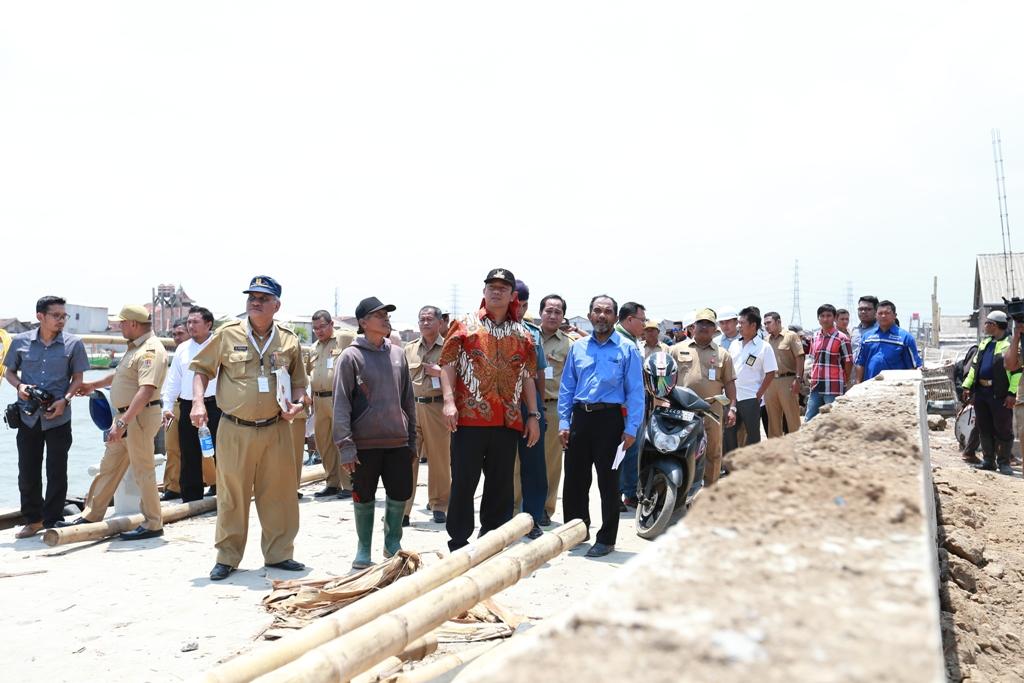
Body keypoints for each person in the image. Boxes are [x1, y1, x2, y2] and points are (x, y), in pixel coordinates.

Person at [189, 276, 308, 580]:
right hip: (234, 428)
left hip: (276, 428)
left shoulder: (289, 339)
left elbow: (298, 382)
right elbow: (202, 371)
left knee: (280, 493)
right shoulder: (227, 335)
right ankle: (227, 557)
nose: (255, 302)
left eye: (263, 298)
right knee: (232, 494)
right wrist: (199, 404)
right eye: (251, 297)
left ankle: (279, 554)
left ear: (276, 305)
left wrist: (297, 403)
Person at [439, 268, 540, 552]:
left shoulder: (522, 333)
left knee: (500, 484)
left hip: (507, 421)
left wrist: (532, 415)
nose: (496, 292)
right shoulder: (464, 324)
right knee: (463, 481)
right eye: (491, 287)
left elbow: (528, 376)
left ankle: (492, 540)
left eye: (503, 288)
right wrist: (448, 401)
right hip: (470, 420)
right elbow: (447, 363)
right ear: (484, 291)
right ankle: (458, 542)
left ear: (512, 296)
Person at [61, 305, 167, 541]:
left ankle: (153, 523)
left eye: (121, 323)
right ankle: (91, 515)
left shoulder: (150, 350)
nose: (118, 327)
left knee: (143, 471)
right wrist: (92, 385)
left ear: (133, 324)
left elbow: (146, 390)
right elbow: (120, 376)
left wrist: (123, 423)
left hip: (137, 417)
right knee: (109, 466)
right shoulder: (134, 349)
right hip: (126, 417)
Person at [558, 295, 644, 558]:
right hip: (580, 419)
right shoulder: (578, 347)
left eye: (607, 311)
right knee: (574, 481)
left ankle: (606, 539)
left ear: (615, 317)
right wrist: (564, 422)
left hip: (610, 422)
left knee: (608, 483)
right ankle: (576, 531)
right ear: (589, 315)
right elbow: (567, 387)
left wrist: (631, 429)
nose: (602, 315)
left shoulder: (627, 350)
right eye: (597, 311)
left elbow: (636, 393)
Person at [333, 297, 416, 569]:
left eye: (386, 314)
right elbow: (341, 403)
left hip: (397, 440)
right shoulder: (351, 356)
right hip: (364, 443)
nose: (385, 318)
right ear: (363, 323)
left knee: (399, 493)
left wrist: (412, 438)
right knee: (364, 495)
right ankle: (363, 547)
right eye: (378, 315)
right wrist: (345, 445)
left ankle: (392, 543)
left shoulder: (397, 354)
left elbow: (408, 400)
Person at [3, 296, 89, 538]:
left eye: (64, 316)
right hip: (28, 416)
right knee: (27, 470)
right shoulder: (20, 341)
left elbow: (78, 379)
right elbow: (9, 372)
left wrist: (65, 400)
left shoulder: (74, 344)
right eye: (56, 315)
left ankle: (53, 520)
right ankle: (33, 520)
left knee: (57, 470)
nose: (61, 320)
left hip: (59, 416)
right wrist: (20, 386)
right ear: (40, 316)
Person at [669, 308, 737, 487]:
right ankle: (681, 490)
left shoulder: (723, 354)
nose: (705, 327)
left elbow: (729, 383)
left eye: (709, 324)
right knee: (680, 449)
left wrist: (732, 408)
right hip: (682, 409)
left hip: (711, 409)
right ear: (693, 326)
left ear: (715, 329)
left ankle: (709, 490)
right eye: (701, 323)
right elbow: (666, 379)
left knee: (713, 451)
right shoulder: (676, 350)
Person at [162, 306, 220, 502]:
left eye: (195, 322)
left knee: (220, 451)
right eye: (189, 322)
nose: (191, 326)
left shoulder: (219, 345)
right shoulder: (182, 349)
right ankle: (191, 497)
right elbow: (173, 380)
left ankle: (222, 492)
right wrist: (167, 406)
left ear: (208, 324)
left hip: (215, 405)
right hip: (187, 405)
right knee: (188, 452)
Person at [403, 305, 451, 525]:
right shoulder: (409, 349)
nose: (425, 323)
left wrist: (440, 373)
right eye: (421, 319)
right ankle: (402, 510)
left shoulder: (450, 348)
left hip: (437, 408)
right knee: (406, 459)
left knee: (439, 460)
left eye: (430, 319)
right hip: (412, 408)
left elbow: (458, 379)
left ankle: (440, 505)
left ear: (440, 322)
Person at [511, 279, 548, 539]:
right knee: (499, 468)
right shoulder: (484, 330)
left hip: (528, 408)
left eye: (523, 305)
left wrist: (537, 411)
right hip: (498, 409)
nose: (519, 310)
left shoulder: (532, 334)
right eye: (517, 304)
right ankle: (501, 519)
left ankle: (532, 519)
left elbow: (539, 376)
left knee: (533, 467)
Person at [962, 311, 1019, 475]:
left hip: (999, 394)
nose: (984, 325)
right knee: (984, 426)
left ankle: (1004, 462)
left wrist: (1011, 393)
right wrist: (967, 386)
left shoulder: (1010, 344)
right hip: (981, 392)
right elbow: (974, 367)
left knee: (1003, 428)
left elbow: (1016, 372)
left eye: (987, 323)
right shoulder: (984, 343)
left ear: (994, 325)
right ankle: (988, 461)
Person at [307, 310, 355, 499]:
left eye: (322, 326)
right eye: (315, 328)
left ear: (331, 325)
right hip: (318, 400)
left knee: (342, 441)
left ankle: (348, 484)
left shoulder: (343, 338)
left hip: (338, 398)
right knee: (323, 442)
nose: (318, 331)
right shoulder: (314, 347)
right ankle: (331, 482)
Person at [537, 294, 574, 525]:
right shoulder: (527, 336)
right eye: (548, 311)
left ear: (563, 316)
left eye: (557, 312)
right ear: (541, 312)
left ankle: (545, 508)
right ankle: (518, 506)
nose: (552, 315)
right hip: (526, 407)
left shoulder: (569, 344)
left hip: (553, 408)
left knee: (551, 462)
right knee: (520, 461)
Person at [724, 307, 776, 453]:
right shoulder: (734, 344)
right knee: (729, 433)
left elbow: (770, 373)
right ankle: (731, 467)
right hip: (732, 397)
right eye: (738, 323)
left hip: (750, 397)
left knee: (752, 435)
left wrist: (759, 395)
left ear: (753, 325)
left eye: (742, 323)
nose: (738, 326)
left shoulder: (764, 347)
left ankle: (753, 465)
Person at [614, 302, 646, 509]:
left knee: (630, 452)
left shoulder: (631, 340)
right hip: (620, 409)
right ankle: (616, 494)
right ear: (629, 320)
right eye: (642, 320)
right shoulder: (619, 341)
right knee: (619, 452)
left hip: (631, 407)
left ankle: (628, 492)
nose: (644, 324)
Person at [806, 304, 854, 420]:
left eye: (828, 316)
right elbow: (813, 359)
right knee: (809, 419)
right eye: (822, 316)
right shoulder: (815, 337)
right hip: (816, 385)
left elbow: (848, 361)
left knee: (833, 419)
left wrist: (845, 379)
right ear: (818, 319)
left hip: (833, 385)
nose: (825, 319)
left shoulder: (842, 338)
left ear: (834, 318)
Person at [854, 300, 922, 382]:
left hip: (894, 388)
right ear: (876, 315)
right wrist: (858, 384)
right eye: (880, 313)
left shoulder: (905, 338)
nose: (883, 316)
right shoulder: (867, 337)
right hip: (869, 387)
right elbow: (860, 363)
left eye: (887, 313)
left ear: (895, 315)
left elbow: (913, 367)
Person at [160, 319, 189, 501]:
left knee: (204, 446)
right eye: (174, 334)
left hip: (194, 404)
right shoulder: (178, 352)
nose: (176, 338)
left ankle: (213, 482)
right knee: (172, 447)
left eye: (180, 334)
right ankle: (173, 486)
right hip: (173, 405)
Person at [764, 312, 804, 438]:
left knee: (792, 418)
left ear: (778, 322)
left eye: (769, 323)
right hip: (770, 383)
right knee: (773, 420)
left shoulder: (791, 336)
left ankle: (796, 447)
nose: (766, 326)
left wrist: (798, 379)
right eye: (764, 324)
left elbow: (800, 357)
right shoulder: (766, 340)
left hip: (788, 380)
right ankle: (776, 451)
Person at [850, 295, 879, 364]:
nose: (863, 312)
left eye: (868, 309)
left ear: (876, 311)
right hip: (854, 373)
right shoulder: (855, 331)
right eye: (860, 309)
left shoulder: (881, 331)